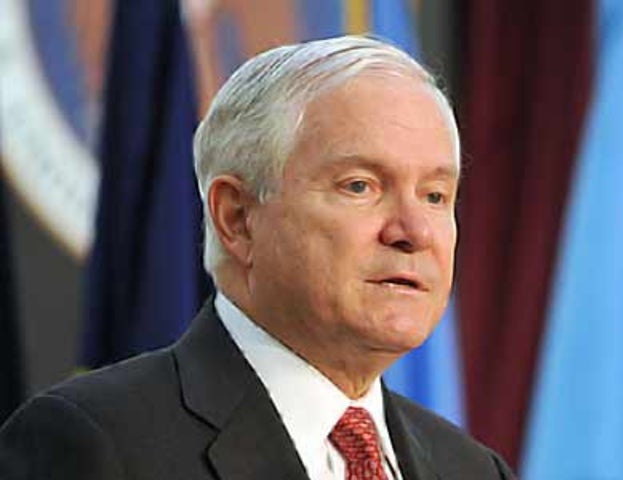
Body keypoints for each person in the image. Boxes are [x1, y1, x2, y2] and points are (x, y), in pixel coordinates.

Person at [0, 35, 515, 479]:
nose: (414, 231)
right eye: (360, 186)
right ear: (237, 218)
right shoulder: (99, 444)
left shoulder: (472, 469)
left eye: (435, 195)